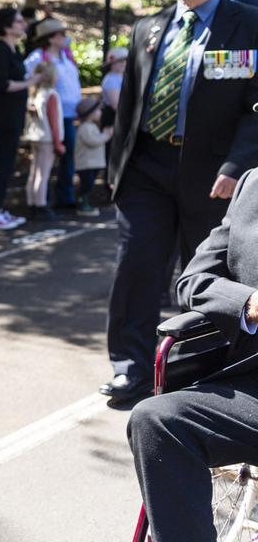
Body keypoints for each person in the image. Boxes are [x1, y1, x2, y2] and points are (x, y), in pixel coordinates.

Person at [101, 0, 258, 402]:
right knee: (136, 269)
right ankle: (130, 367)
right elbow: (129, 106)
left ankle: (207, 372)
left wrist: (237, 165)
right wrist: (118, 174)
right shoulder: (148, 28)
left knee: (209, 278)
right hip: (148, 167)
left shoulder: (250, 24)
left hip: (215, 175)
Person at [127, 167, 258, 542]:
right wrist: (247, 303)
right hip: (251, 387)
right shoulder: (252, 185)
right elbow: (194, 279)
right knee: (155, 419)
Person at [0, 7, 39, 231]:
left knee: (6, 163)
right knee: (2, 163)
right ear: (6, 26)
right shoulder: (0, 52)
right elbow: (2, 84)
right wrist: (31, 82)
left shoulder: (14, 50)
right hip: (4, 116)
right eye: (17, 21)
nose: (22, 24)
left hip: (14, 115)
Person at [23, 17, 82, 209]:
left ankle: (65, 197)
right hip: (49, 114)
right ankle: (42, 200)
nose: (65, 37)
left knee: (68, 157)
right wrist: (30, 101)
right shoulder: (37, 58)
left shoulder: (66, 56)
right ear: (50, 38)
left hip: (69, 113)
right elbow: (27, 81)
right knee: (44, 161)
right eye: (61, 34)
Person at [20, 58, 63, 221]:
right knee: (43, 173)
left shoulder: (35, 93)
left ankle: (32, 202)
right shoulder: (51, 94)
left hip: (35, 136)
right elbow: (54, 121)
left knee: (35, 170)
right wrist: (58, 143)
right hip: (47, 138)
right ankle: (41, 204)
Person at [73, 96, 111, 217]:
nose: (100, 113)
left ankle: (84, 201)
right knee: (87, 184)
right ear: (91, 114)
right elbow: (93, 141)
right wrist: (106, 135)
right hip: (86, 164)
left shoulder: (92, 126)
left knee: (89, 184)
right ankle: (83, 203)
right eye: (98, 110)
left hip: (93, 163)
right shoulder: (85, 128)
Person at [100, 46, 127, 130]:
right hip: (113, 118)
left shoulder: (121, 76)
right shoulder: (111, 80)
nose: (123, 63)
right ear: (111, 64)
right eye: (119, 61)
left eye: (125, 60)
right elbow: (116, 105)